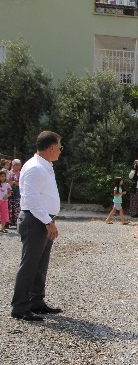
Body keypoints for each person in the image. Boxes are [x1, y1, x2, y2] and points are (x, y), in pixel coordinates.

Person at [10, 131, 63, 322]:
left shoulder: (45, 166)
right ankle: (19, 306)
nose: (60, 150)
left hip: (43, 219)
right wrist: (47, 221)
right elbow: (32, 199)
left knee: (40, 264)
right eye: (59, 147)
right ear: (51, 148)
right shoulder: (34, 168)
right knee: (29, 265)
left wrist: (50, 219)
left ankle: (36, 301)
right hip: (35, 220)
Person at [7, 158, 21, 227]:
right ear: (13, 165)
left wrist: (15, 183)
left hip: (17, 192)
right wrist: (10, 183)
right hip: (9, 192)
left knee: (17, 207)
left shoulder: (21, 173)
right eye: (16, 165)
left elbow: (22, 183)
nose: (18, 166)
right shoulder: (8, 173)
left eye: (19, 165)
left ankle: (16, 222)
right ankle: (9, 222)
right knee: (9, 207)